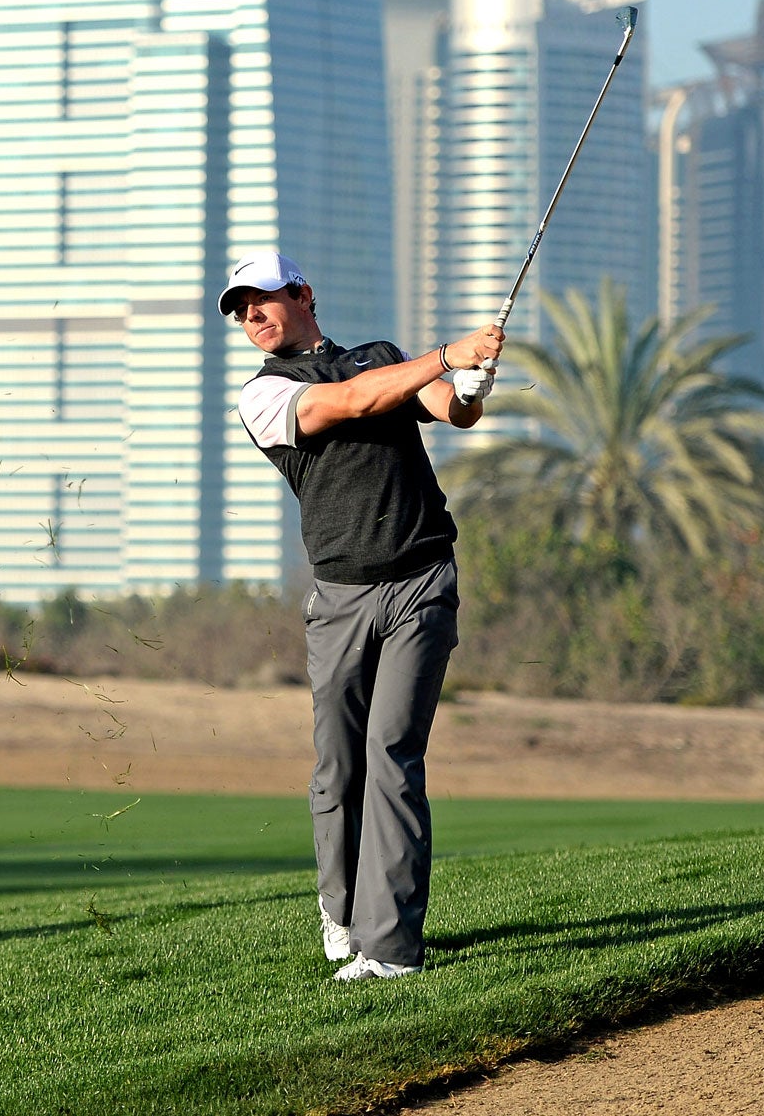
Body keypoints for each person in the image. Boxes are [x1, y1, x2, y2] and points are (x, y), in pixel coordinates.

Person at [219, 251, 501, 982]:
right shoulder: (264, 394)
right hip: (339, 598)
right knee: (336, 769)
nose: (250, 317)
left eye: (261, 300)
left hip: (420, 581)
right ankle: (341, 912)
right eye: (240, 309)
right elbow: (349, 405)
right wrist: (446, 353)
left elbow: (447, 410)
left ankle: (391, 950)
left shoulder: (380, 357)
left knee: (393, 754)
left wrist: (469, 384)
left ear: (304, 294)